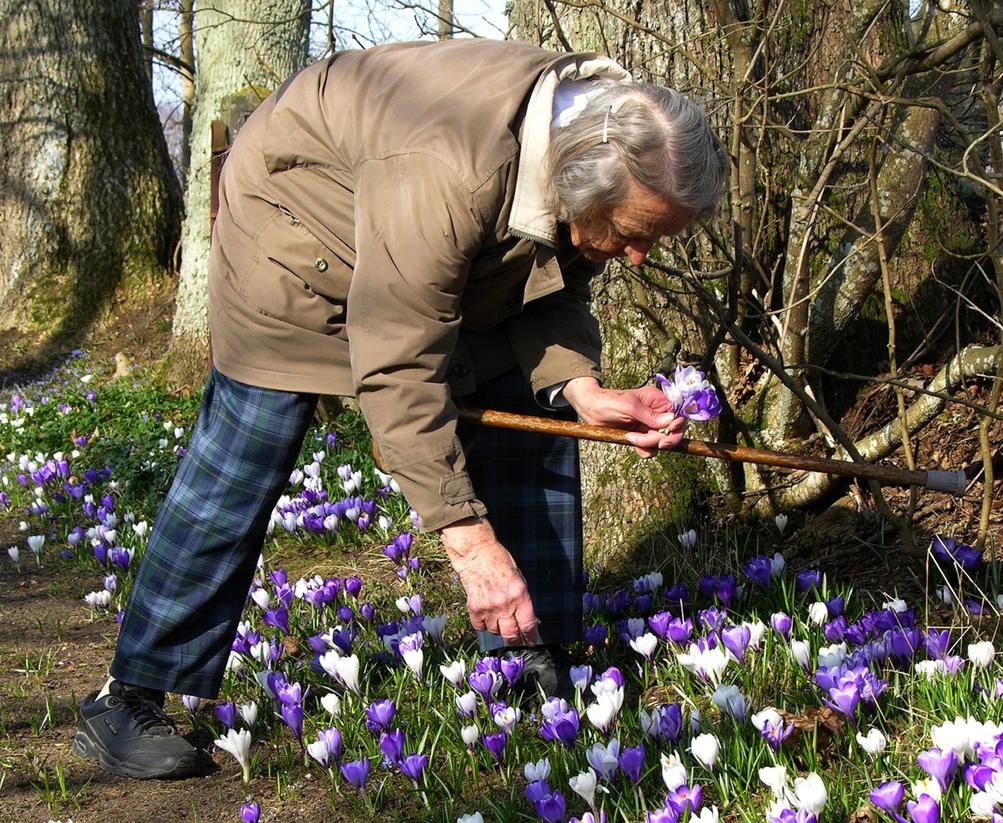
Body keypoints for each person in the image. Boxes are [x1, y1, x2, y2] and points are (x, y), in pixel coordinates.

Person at [73, 37, 725, 779]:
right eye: (636, 235)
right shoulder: (451, 166)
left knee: (525, 404)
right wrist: (469, 542)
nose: (639, 256)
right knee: (250, 444)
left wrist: (581, 389)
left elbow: (552, 275)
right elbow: (398, 366)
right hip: (294, 233)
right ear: (584, 183)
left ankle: (529, 653)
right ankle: (128, 694)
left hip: (425, 244)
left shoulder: (591, 140)